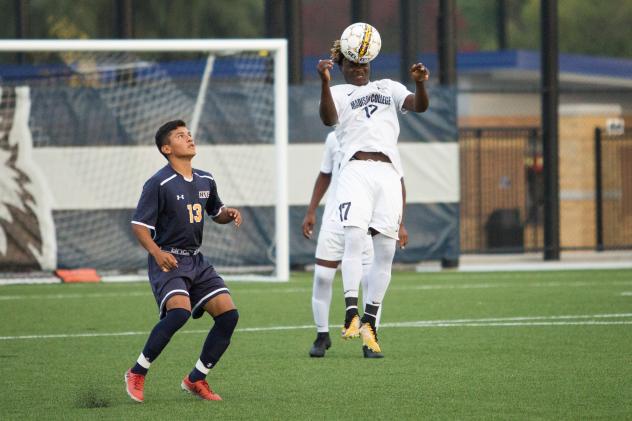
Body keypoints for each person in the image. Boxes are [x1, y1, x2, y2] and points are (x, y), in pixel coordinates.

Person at [316, 37, 429, 354]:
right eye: (352, 64)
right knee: (354, 239)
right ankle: (350, 312)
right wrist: (324, 84)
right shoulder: (338, 92)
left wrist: (420, 85)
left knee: (385, 253)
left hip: (389, 173)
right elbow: (327, 118)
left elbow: (419, 106)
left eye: (363, 64)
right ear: (342, 68)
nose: (359, 70)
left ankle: (370, 323)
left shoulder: (389, 87)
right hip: (355, 170)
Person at [124, 120, 242, 403]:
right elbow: (139, 226)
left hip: (196, 261)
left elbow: (215, 211)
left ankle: (196, 378)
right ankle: (137, 371)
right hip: (168, 259)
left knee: (229, 316)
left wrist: (228, 214)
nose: (189, 138)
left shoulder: (206, 179)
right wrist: (156, 252)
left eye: (189, 134)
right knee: (179, 313)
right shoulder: (158, 183)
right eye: (180, 136)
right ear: (167, 148)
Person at [302, 131, 408, 358]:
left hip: (366, 222)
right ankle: (322, 335)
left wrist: (401, 223)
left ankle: (369, 339)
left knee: (370, 279)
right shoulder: (334, 138)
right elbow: (325, 174)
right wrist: (311, 211)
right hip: (334, 220)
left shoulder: (382, 140)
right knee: (322, 276)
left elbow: (397, 181)